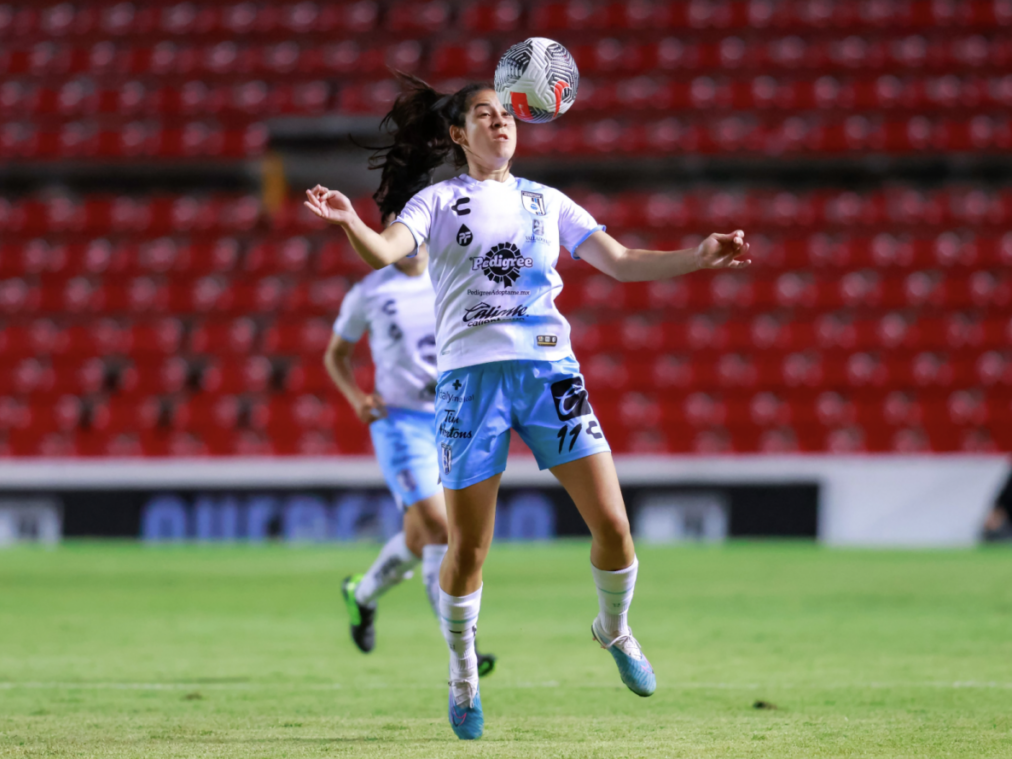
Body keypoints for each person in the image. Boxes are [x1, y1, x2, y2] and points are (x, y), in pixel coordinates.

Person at [305, 73, 750, 740]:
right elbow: (385, 251)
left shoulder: (548, 201)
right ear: (459, 134)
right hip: (470, 385)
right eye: (484, 114)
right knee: (468, 549)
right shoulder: (436, 201)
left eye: (507, 114)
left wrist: (698, 256)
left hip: (550, 374)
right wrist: (350, 224)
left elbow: (621, 261)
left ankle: (614, 628)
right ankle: (462, 672)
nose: (501, 122)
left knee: (615, 527)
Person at [327, 201, 496, 678]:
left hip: (452, 417)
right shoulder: (369, 291)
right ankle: (463, 651)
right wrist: (356, 397)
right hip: (398, 422)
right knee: (441, 530)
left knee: (420, 538)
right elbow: (336, 354)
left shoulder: (451, 276)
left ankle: (361, 594)